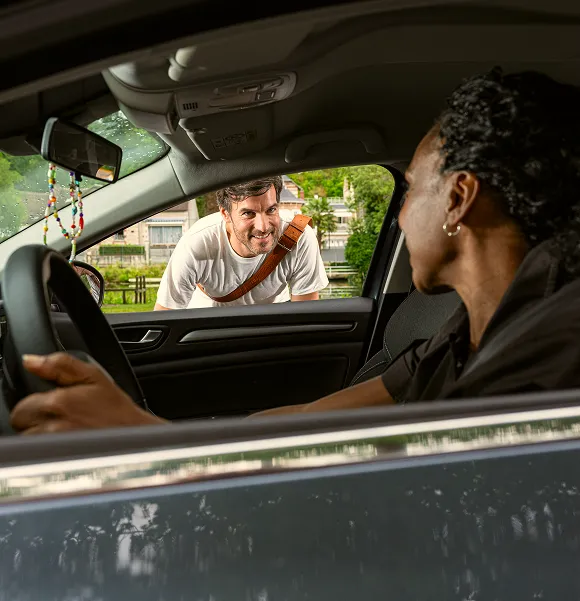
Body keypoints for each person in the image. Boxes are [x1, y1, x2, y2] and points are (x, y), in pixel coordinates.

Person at [11, 68, 580, 434]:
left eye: (410, 187)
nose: (403, 212)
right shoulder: (459, 339)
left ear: (458, 199)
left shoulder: (550, 362)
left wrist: (140, 437)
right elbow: (307, 420)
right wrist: (150, 430)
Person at [154, 177, 328, 309]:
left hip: (272, 323)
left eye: (271, 210)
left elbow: (305, 319)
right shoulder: (196, 244)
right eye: (248, 214)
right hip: (209, 323)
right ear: (225, 214)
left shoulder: (298, 237)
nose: (263, 227)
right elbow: (164, 316)